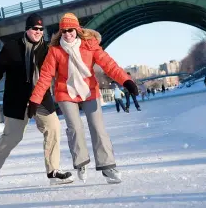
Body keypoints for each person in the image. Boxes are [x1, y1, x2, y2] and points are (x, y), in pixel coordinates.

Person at [27, 12, 138, 184]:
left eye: (71, 30)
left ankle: (107, 166)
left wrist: (126, 81)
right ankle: (81, 162)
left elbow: (109, 65)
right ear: (60, 33)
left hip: (88, 91)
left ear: (77, 30)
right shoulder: (55, 52)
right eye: (63, 31)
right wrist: (35, 100)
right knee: (75, 128)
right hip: (66, 93)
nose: (67, 34)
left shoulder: (90, 45)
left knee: (97, 127)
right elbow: (45, 78)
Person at [0, 13, 73, 188]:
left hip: (40, 99)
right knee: (12, 137)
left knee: (53, 127)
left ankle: (53, 170)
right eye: (34, 28)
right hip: (16, 100)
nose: (38, 32)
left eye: (41, 29)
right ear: (27, 29)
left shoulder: (47, 50)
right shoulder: (11, 48)